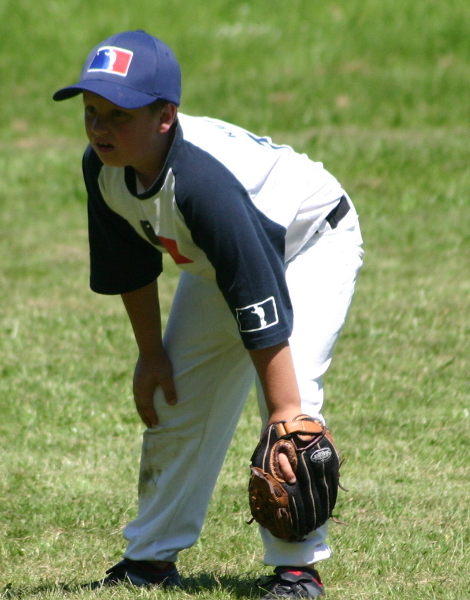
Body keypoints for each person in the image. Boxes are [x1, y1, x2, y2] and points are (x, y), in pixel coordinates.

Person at [53, 30, 363, 600]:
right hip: (230, 261)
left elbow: (256, 293)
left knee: (293, 417)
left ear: (164, 117)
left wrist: (284, 409)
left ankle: (298, 570)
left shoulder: (201, 180)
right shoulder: (105, 169)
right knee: (177, 400)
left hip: (309, 240)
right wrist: (151, 354)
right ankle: (150, 560)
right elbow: (130, 268)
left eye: (118, 114)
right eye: (91, 112)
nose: (100, 128)